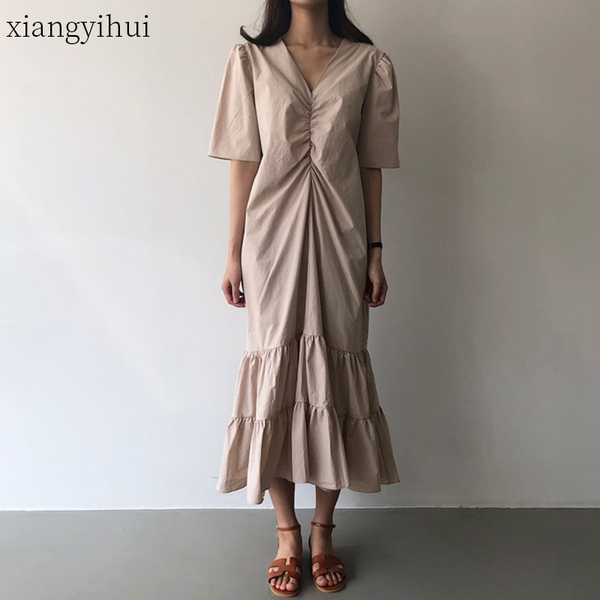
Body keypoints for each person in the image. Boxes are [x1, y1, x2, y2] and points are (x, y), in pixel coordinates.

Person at [207, 0, 401, 595]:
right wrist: (234, 252)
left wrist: (375, 249)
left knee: (336, 374)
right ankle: (286, 533)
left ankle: (323, 531)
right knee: (277, 376)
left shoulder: (368, 64)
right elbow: (244, 161)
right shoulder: (251, 61)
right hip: (270, 242)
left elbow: (370, 166)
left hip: (342, 240)